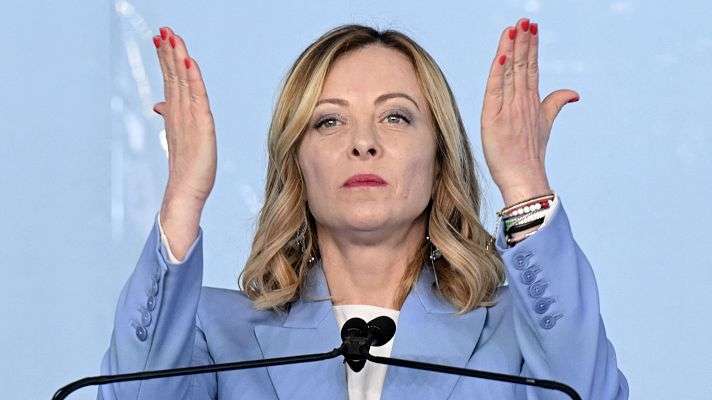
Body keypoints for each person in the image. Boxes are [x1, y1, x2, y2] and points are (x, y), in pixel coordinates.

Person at [98, 17, 629, 399]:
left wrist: (523, 181)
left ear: (440, 157)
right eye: (329, 121)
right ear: (296, 164)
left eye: (396, 117)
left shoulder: (520, 333)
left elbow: (587, 392)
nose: (363, 143)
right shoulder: (214, 333)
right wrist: (184, 197)